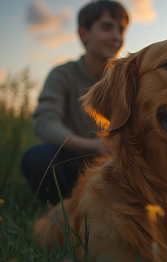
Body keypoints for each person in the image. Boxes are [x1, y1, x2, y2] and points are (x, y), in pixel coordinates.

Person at [21, 0, 129, 204]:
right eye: (107, 27)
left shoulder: (126, 81)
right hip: (73, 162)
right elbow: (44, 123)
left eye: (120, 30)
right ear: (83, 34)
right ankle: (59, 209)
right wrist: (92, 145)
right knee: (38, 158)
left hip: (115, 165)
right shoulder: (63, 74)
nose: (116, 36)